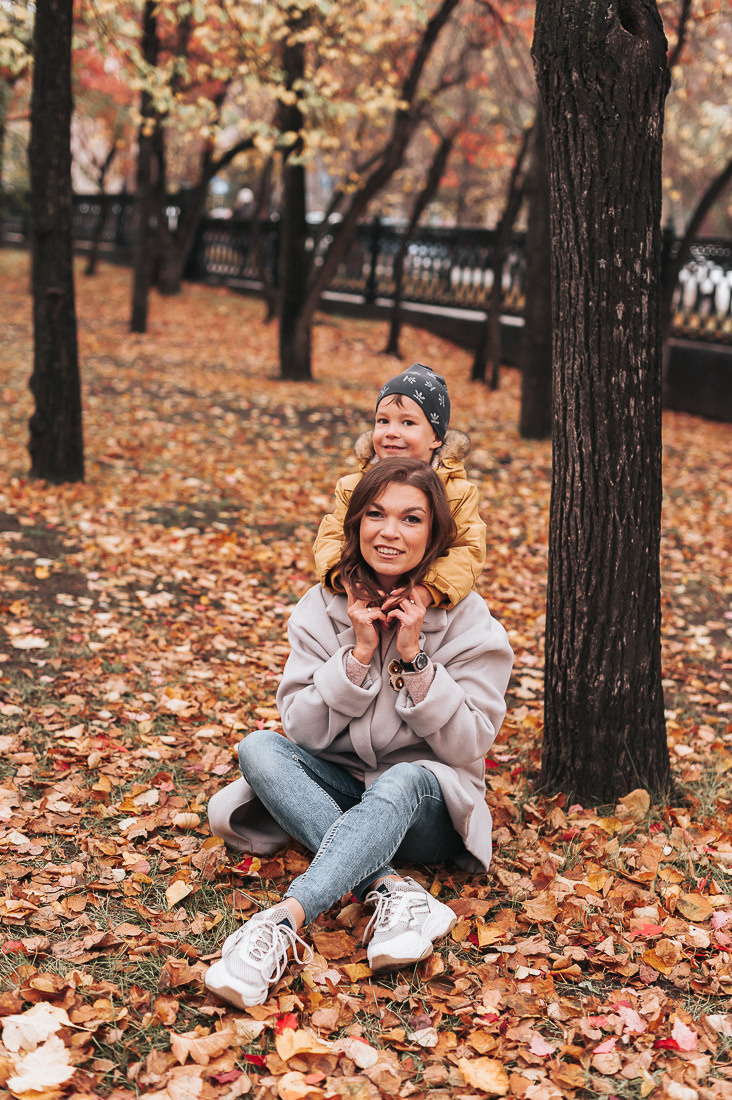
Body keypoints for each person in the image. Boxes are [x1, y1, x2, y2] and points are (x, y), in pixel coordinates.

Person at [205, 457, 512, 1010]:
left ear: (435, 535)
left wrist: (416, 660)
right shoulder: (323, 607)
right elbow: (299, 729)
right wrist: (359, 655)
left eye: (411, 519)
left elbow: (471, 743)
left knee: (403, 779)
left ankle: (284, 920)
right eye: (375, 514)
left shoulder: (470, 620)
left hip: (428, 808)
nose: (389, 532)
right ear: (355, 525)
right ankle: (390, 888)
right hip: (348, 788)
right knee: (258, 748)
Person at [313, 363, 486, 611]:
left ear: (436, 437)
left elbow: (468, 550)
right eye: (383, 421)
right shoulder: (353, 487)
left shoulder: (456, 493)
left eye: (407, 423)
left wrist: (426, 591)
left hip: (427, 608)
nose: (391, 432)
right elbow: (332, 536)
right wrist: (346, 578)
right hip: (364, 595)